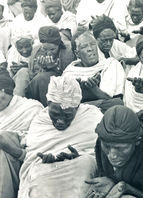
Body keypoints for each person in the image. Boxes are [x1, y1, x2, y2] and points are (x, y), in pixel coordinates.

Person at [18, 75, 103, 198]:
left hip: (79, 169)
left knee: (86, 163)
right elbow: (31, 159)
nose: (61, 121)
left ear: (77, 106)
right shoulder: (40, 121)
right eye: (55, 114)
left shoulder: (92, 117)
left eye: (67, 115)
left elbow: (103, 157)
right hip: (46, 171)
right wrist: (44, 161)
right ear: (48, 104)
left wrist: (79, 157)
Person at [0, 69, 43, 198]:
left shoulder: (31, 109)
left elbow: (36, 143)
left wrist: (8, 142)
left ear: (2, 92)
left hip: (18, 161)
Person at [63, 29, 125, 113]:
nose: (90, 49)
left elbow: (114, 99)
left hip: (105, 109)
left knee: (117, 104)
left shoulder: (110, 64)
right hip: (79, 111)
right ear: (77, 54)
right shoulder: (70, 73)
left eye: (92, 44)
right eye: (84, 46)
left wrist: (94, 89)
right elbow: (66, 104)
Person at [26, 25, 75, 107]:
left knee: (43, 77)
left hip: (62, 91)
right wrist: (43, 68)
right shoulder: (36, 51)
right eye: (45, 49)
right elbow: (32, 77)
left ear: (59, 44)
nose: (49, 53)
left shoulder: (68, 51)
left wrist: (53, 68)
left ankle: (51, 109)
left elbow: (68, 77)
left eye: (52, 49)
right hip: (37, 91)